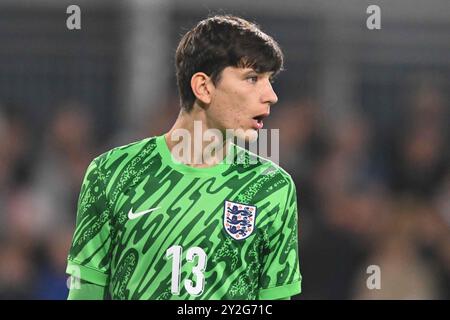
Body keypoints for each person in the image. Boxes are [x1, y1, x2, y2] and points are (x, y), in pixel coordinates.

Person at [66, 15, 301, 300]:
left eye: (269, 80)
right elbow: (85, 293)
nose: (271, 95)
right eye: (252, 78)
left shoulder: (272, 187)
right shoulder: (112, 173)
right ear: (203, 87)